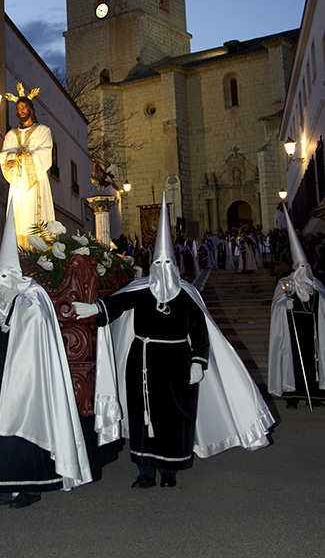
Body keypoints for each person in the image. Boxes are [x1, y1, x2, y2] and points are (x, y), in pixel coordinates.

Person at [75, 193, 274, 489]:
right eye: (160, 261)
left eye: (169, 261)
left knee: (174, 416)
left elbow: (201, 332)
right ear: (153, 263)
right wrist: (95, 309)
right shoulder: (142, 291)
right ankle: (145, 471)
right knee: (144, 415)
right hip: (142, 362)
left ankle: (170, 470)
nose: (164, 266)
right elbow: (118, 305)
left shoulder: (186, 297)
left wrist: (198, 361)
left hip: (178, 363)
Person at [0, 204, 91, 508]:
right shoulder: (4, 307)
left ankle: (30, 489)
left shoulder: (32, 305)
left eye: (5, 278)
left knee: (24, 436)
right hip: (2, 386)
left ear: (16, 277)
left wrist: (19, 382)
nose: (0, 285)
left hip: (28, 387)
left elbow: (34, 351)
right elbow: (0, 348)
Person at [268, 206, 325, 409]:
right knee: (293, 362)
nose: (304, 271)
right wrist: (286, 304)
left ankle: (316, 394)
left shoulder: (316, 284)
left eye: (306, 267)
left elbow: (323, 304)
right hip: (292, 332)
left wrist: (315, 297)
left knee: (313, 362)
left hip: (313, 332)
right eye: (300, 268)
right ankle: (293, 395)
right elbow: (277, 306)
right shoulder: (285, 283)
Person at [0, 83, 54, 247]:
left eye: (24, 107)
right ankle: (18, 249)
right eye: (18, 108)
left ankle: (40, 249)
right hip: (17, 182)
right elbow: (3, 155)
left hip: (36, 179)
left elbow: (45, 152)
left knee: (35, 214)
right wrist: (16, 156)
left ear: (30, 108)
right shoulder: (11, 134)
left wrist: (25, 158)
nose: (21, 111)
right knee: (18, 213)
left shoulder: (43, 131)